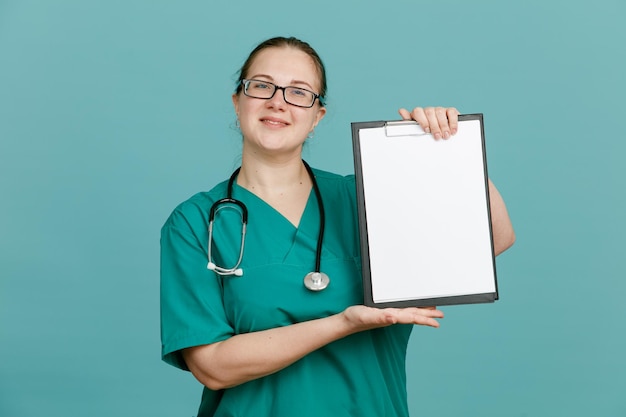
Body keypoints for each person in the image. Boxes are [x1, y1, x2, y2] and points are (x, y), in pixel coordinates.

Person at [160, 36, 515, 417]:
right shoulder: (196, 222)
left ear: (318, 117)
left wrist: (449, 148)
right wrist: (342, 323)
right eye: (261, 86)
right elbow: (212, 366)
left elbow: (495, 237)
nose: (277, 101)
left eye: (299, 92)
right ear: (237, 101)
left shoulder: (369, 197)